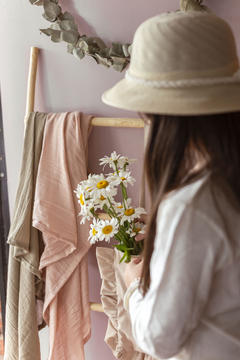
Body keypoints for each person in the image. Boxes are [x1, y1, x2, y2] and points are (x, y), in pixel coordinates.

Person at [102, 11, 240, 360]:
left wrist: (133, 280)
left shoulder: (192, 206)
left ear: (161, 117)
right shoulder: (222, 189)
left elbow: (160, 338)